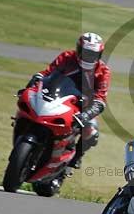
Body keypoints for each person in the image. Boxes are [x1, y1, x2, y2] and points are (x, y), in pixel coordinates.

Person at [26, 32, 111, 173]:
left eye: (93, 54)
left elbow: (101, 98)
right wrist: (35, 80)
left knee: (91, 132)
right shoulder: (67, 57)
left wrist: (87, 114)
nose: (89, 57)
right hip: (58, 96)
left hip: (82, 106)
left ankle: (76, 157)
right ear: (79, 50)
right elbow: (48, 73)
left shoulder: (103, 71)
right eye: (86, 53)